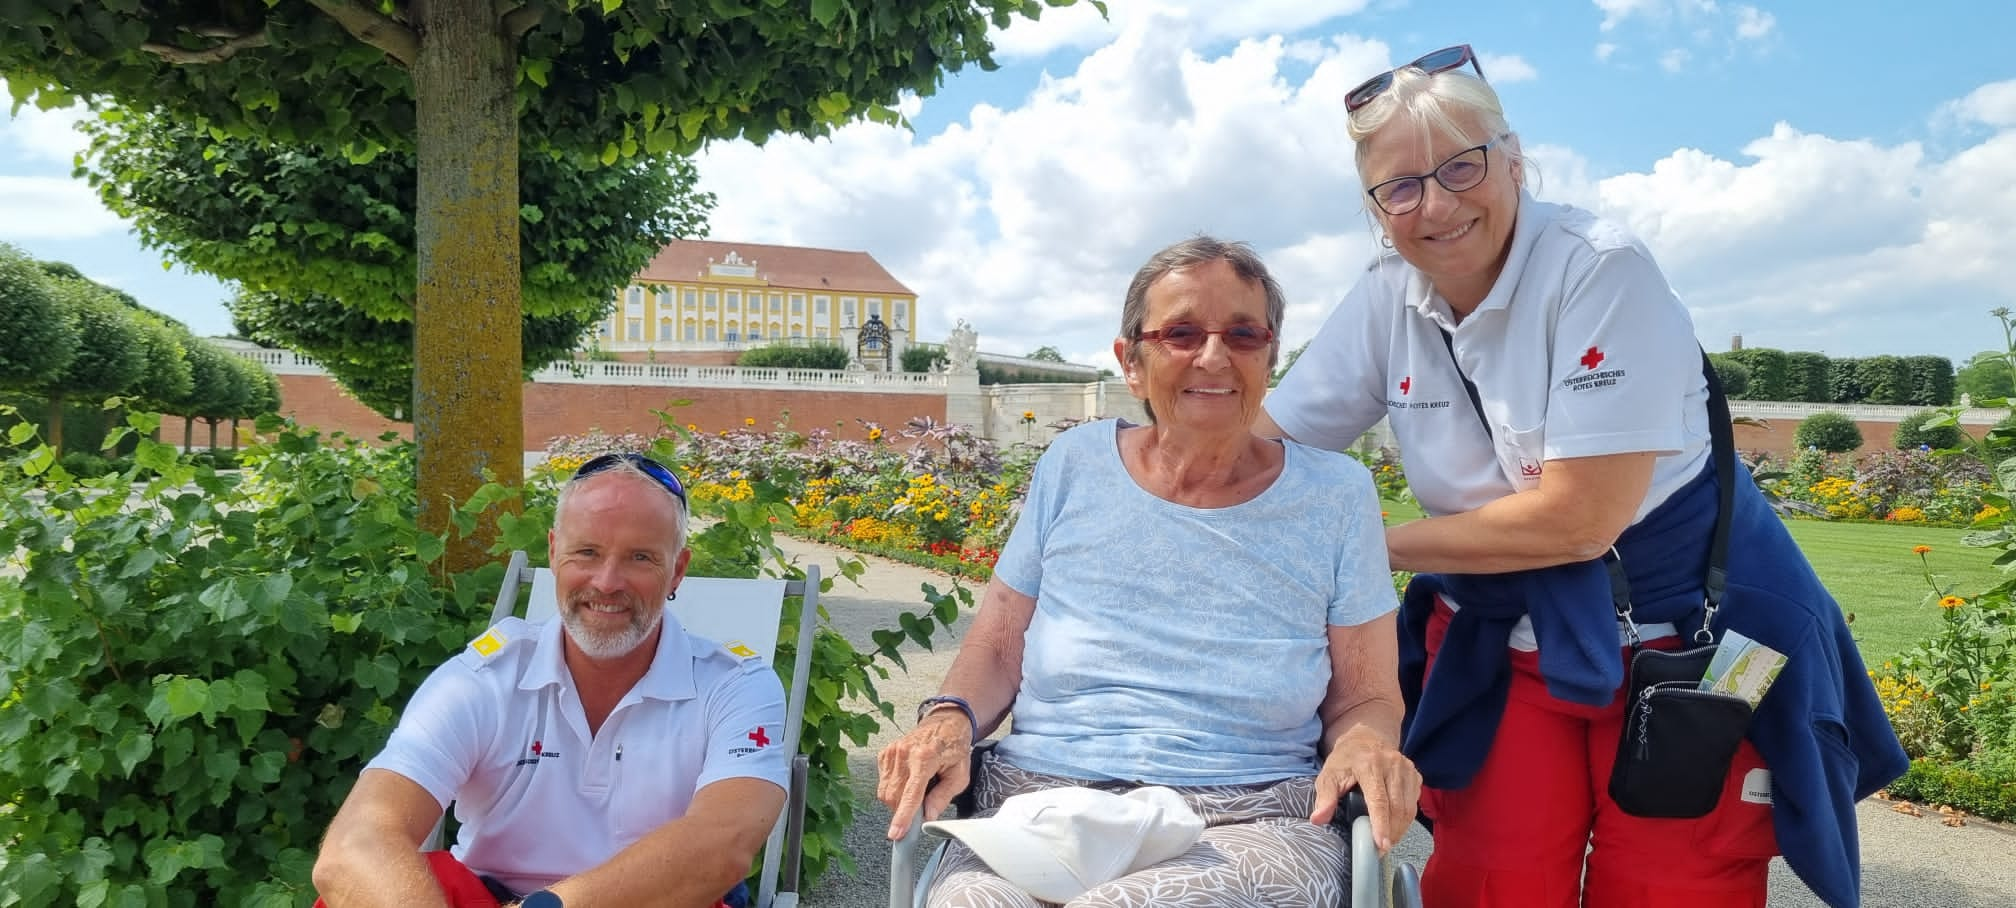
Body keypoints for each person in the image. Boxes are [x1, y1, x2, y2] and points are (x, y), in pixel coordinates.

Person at [1259, 44, 1907, 908]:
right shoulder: (1386, 292)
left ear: (1515, 162)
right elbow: (1268, 448)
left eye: (1462, 166)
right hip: (1507, 637)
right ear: (1377, 209)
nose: (1436, 204)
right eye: (1401, 187)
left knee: (1674, 887)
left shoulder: (1601, 268)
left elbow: (1578, 521)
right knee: (1493, 880)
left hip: (1686, 638)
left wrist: (1357, 550)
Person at [878, 237, 1420, 908]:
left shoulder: (1336, 494)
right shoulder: (1074, 464)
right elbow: (996, 647)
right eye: (1183, 333)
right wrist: (951, 718)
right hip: (1043, 804)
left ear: (1270, 356)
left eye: (1243, 335)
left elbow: (1367, 695)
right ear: (1130, 362)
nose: (1215, 356)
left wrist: (1366, 745)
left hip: (1255, 817)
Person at [312, 453, 788, 908]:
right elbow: (357, 844)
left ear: (677, 571)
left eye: (640, 558)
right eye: (587, 552)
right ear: (555, 552)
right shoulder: (481, 680)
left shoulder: (735, 686)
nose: (606, 582)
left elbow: (722, 843)